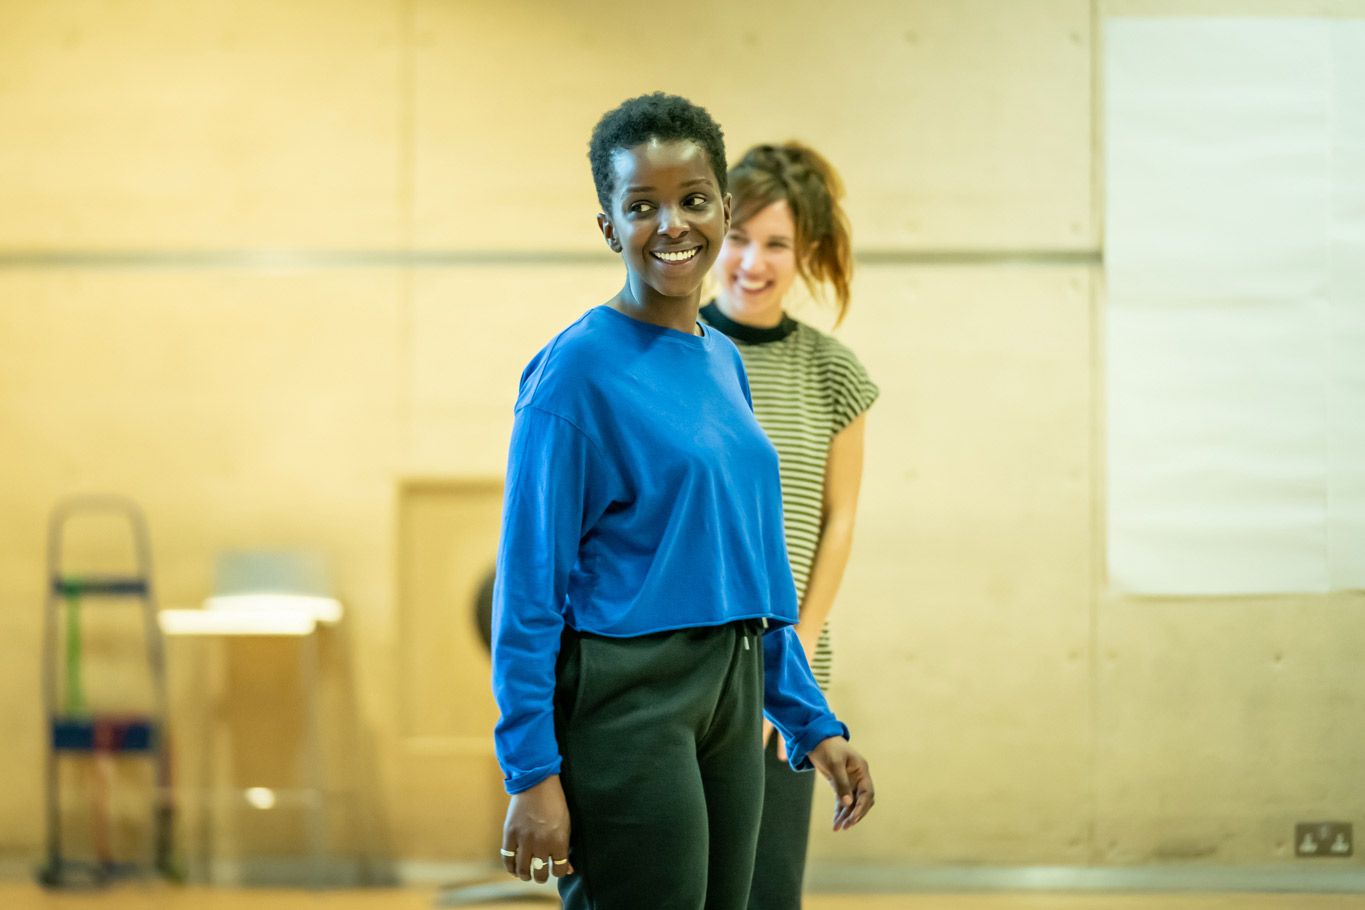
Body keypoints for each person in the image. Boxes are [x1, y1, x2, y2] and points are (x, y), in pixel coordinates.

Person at [490, 94, 875, 910]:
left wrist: (810, 721)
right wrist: (530, 772)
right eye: (641, 206)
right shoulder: (573, 372)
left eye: (693, 200)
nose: (672, 224)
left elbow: (751, 573)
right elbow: (526, 591)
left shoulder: (723, 361)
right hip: (628, 698)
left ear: (722, 208)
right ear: (608, 228)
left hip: (731, 692)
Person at [699, 142, 879, 910]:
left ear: (805, 252)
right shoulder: (670, 347)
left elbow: (837, 521)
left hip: (786, 673)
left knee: (767, 889)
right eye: (738, 237)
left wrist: (797, 653)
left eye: (776, 244)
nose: (752, 261)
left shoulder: (834, 372)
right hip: (683, 666)